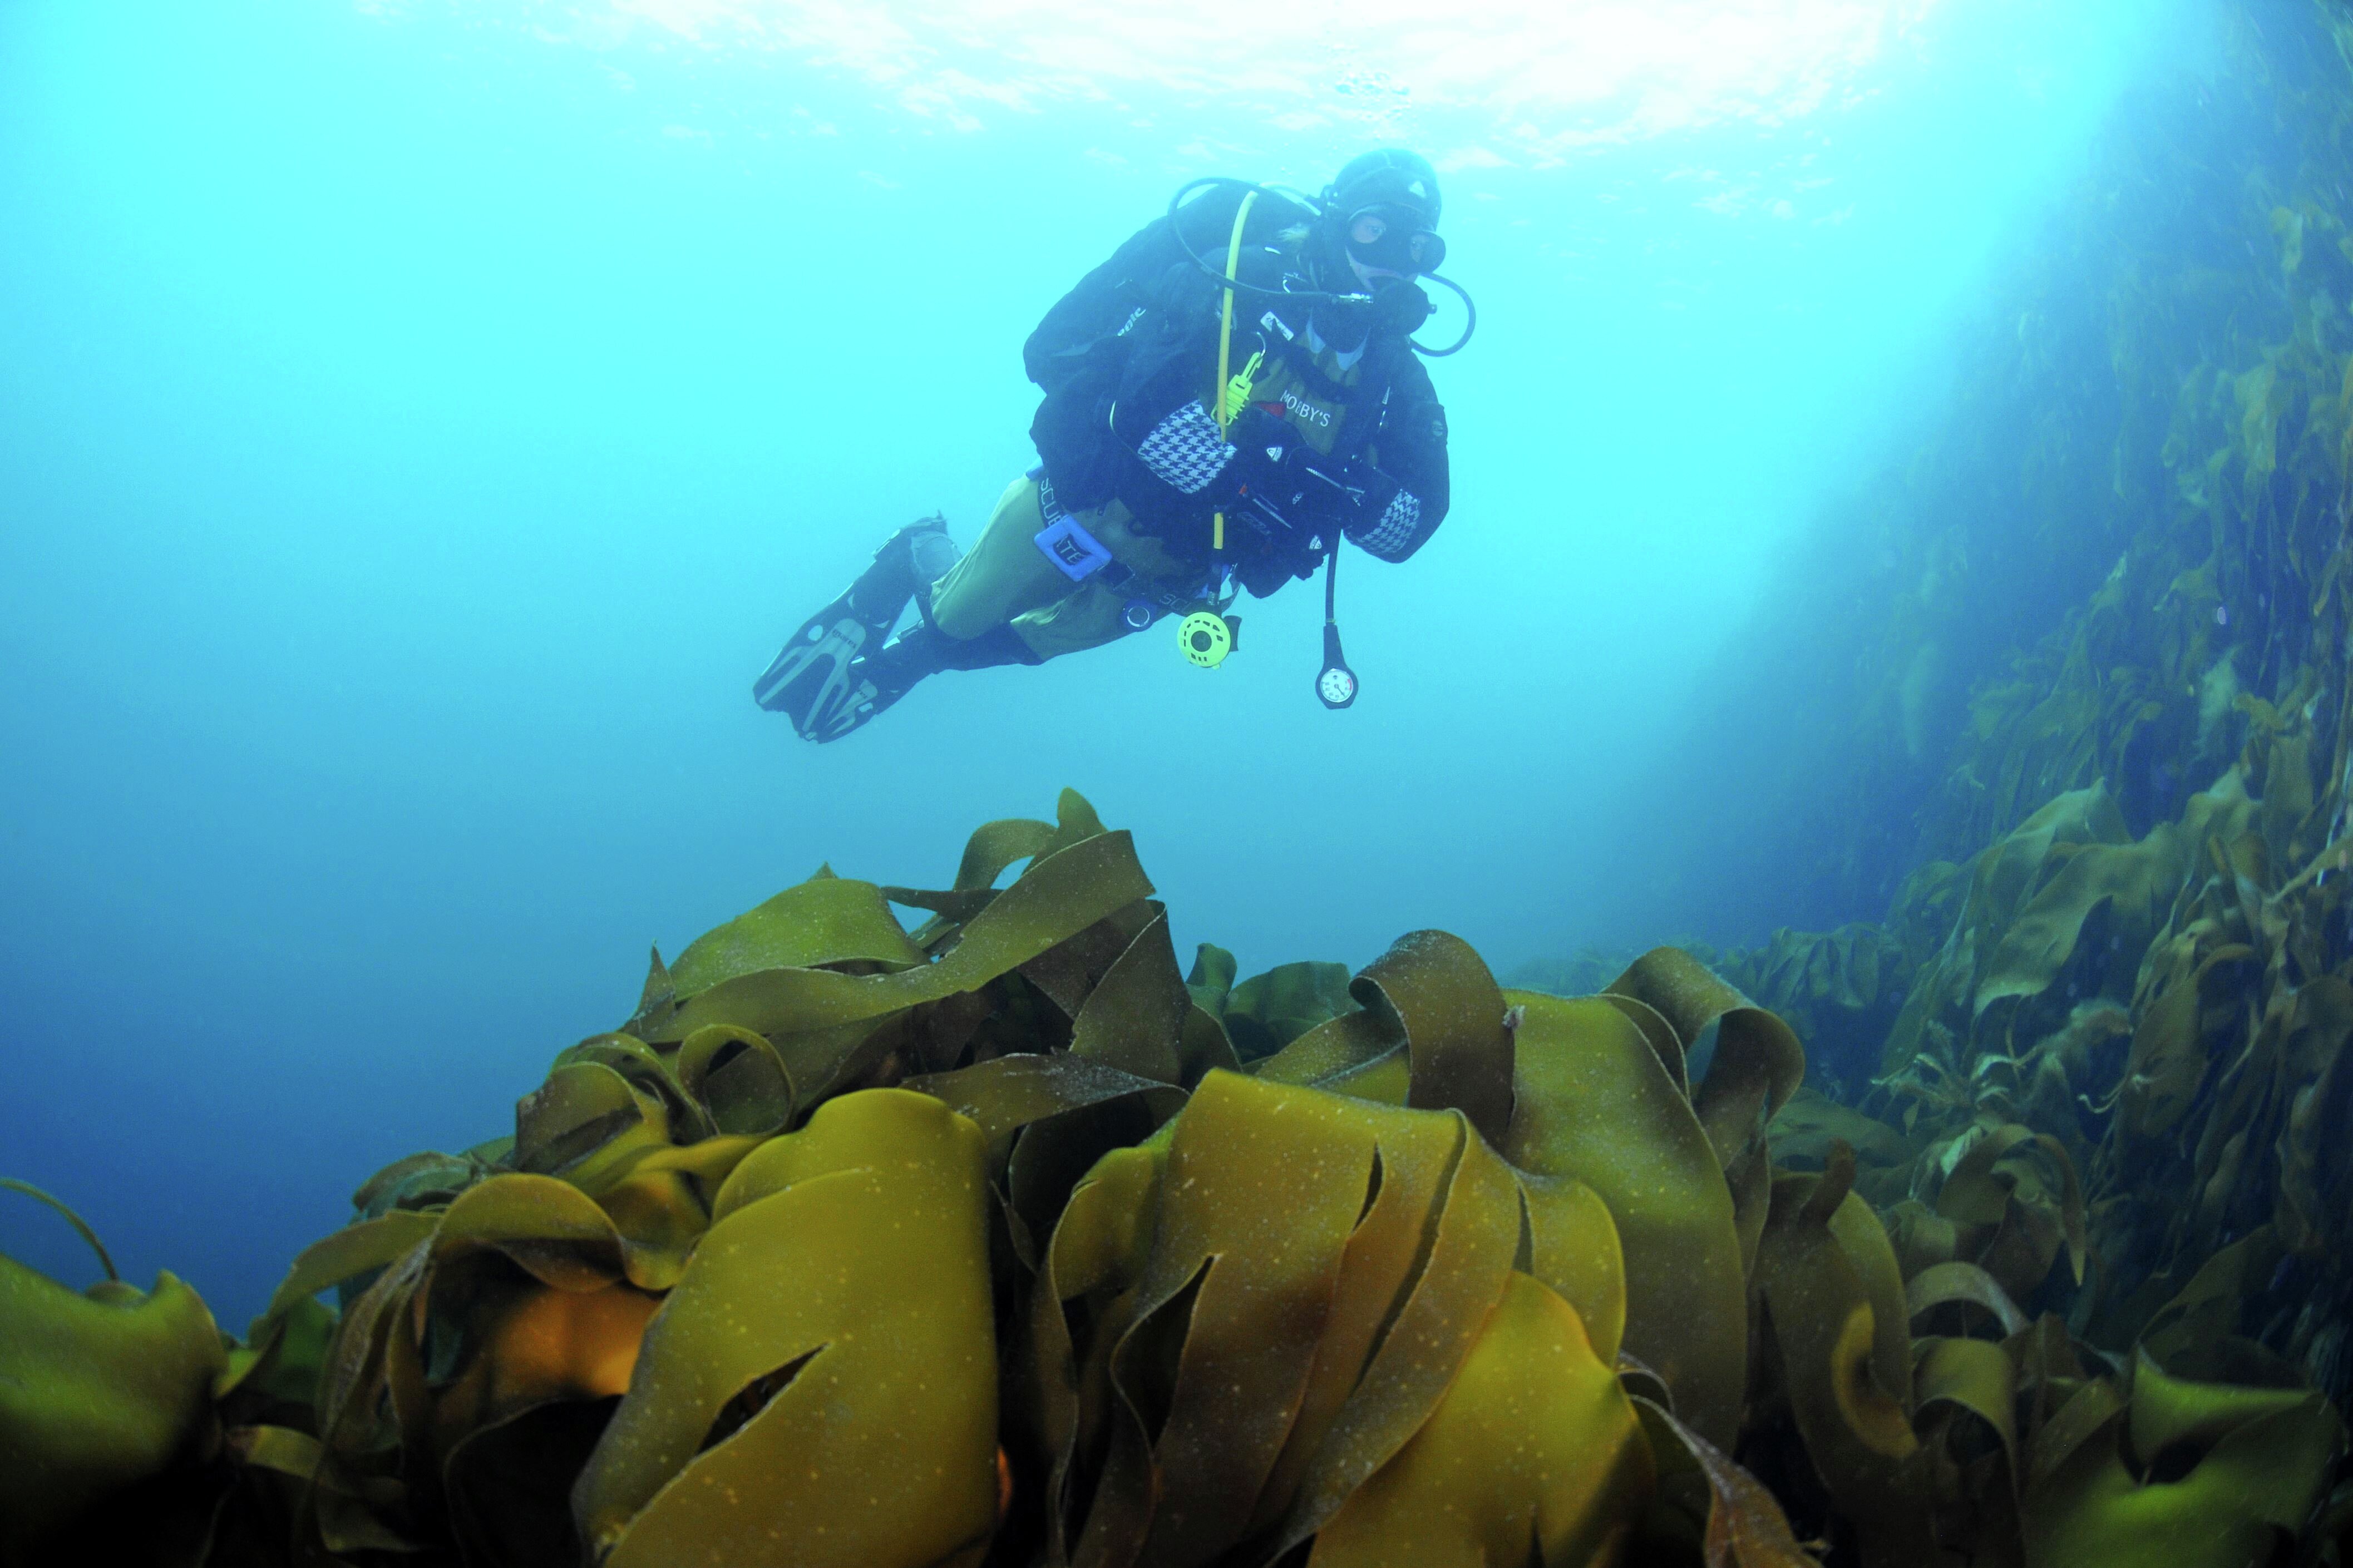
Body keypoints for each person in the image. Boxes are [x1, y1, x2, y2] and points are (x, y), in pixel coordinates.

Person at [754, 148, 1458, 742]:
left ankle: (918, 658)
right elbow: (1146, 411)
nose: (1395, 262)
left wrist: (1335, 487)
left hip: (1171, 577)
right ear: (1338, 223)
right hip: (1082, 508)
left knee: (1020, 644)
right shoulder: (1236, 278)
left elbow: (1413, 528)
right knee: (959, 615)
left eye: (1418, 248)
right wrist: (1262, 481)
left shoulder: (1393, 376)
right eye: (1376, 232)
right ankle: (918, 553)